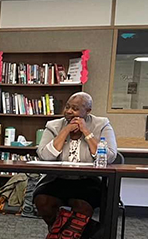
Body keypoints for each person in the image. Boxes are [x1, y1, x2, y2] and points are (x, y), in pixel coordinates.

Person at [34, 92, 117, 227]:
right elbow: (44, 155)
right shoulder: (53, 125)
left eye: (75, 109)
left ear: (88, 111)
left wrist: (86, 132)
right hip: (58, 179)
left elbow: (110, 156)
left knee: (82, 207)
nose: (69, 111)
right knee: (42, 201)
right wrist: (65, 131)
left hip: (89, 180)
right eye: (67, 107)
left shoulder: (101, 125)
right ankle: (60, 237)